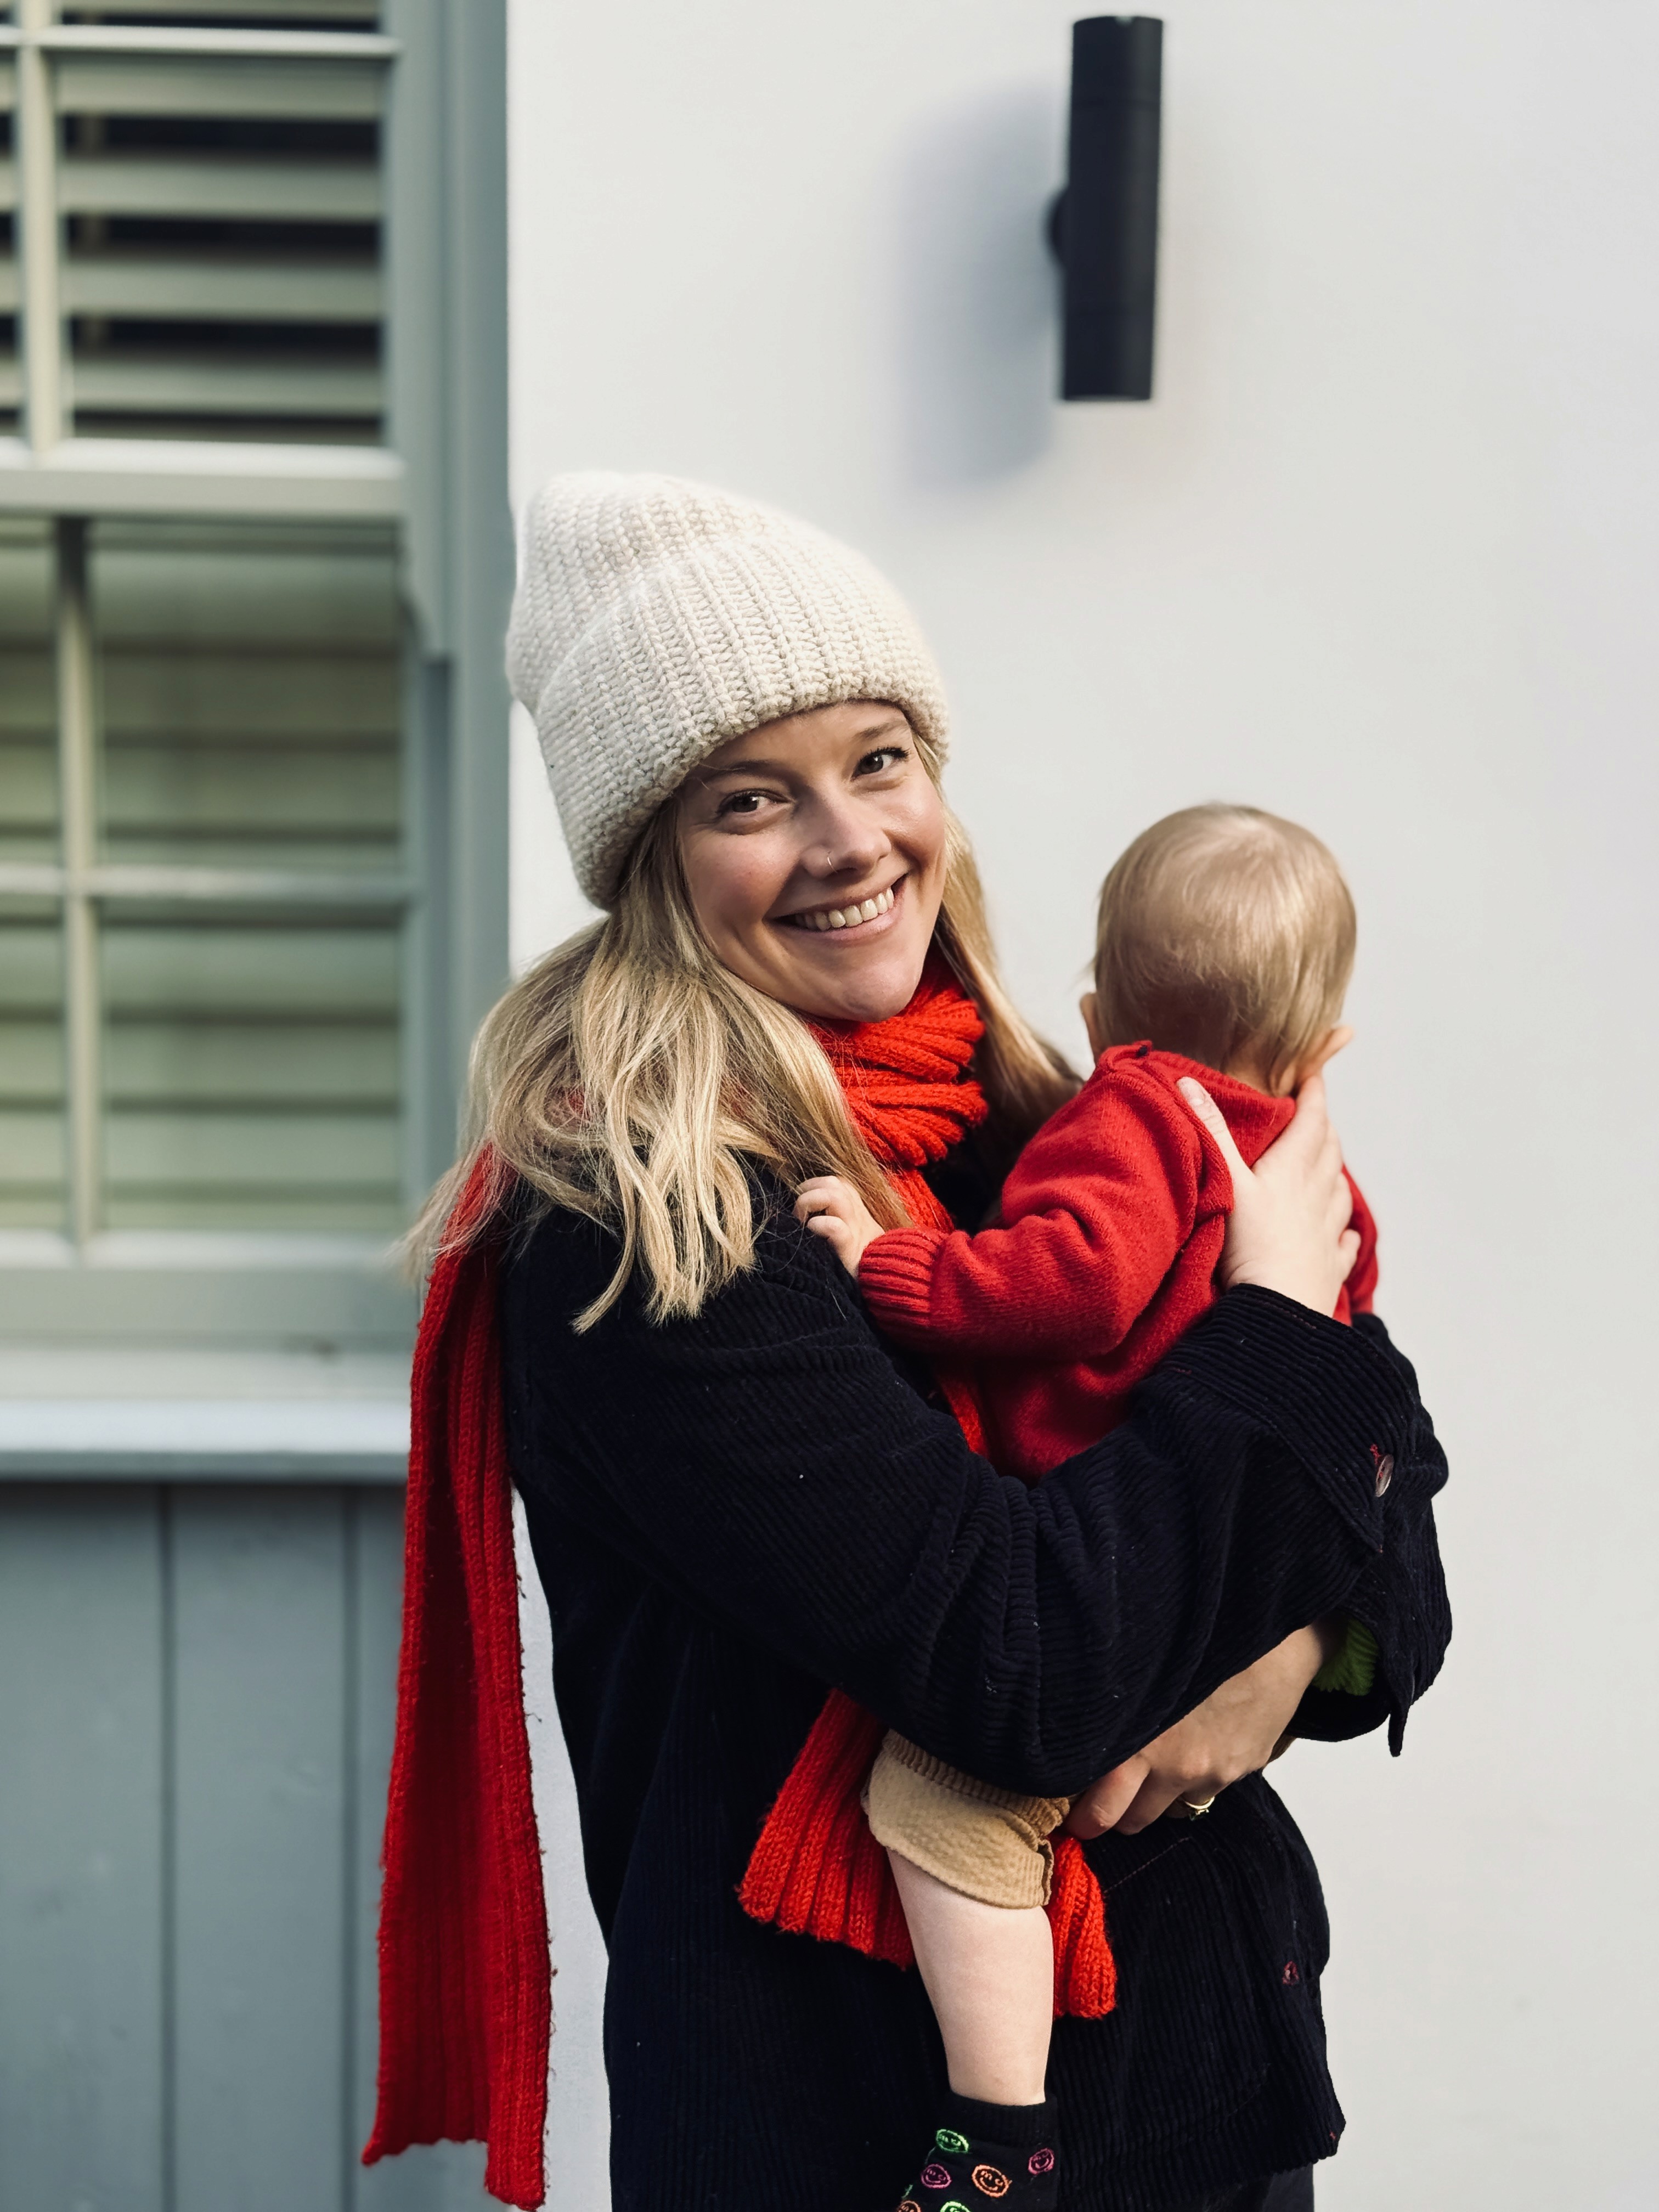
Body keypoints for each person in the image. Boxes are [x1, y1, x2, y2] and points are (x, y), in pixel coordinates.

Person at [365, 472, 1449, 2212]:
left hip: (1199, 2092)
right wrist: (1262, 1335)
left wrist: (1296, 1651)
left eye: (879, 759)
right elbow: (1019, 1666)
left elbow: (1394, 1476)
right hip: (859, 2141)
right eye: (751, 797)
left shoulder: (1041, 1116)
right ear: (653, 861)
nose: (851, 841)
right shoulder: (650, 1220)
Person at [793, 805, 1386, 2204]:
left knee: (941, 1806)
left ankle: (999, 2131)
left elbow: (1074, 1279)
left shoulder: (1127, 1114)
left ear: (1101, 1013)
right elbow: (1352, 1377)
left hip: (1112, 1570)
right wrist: (1284, 1601)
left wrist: (891, 1264)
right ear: (1323, 1047)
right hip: (1181, 1588)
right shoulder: (1311, 1176)